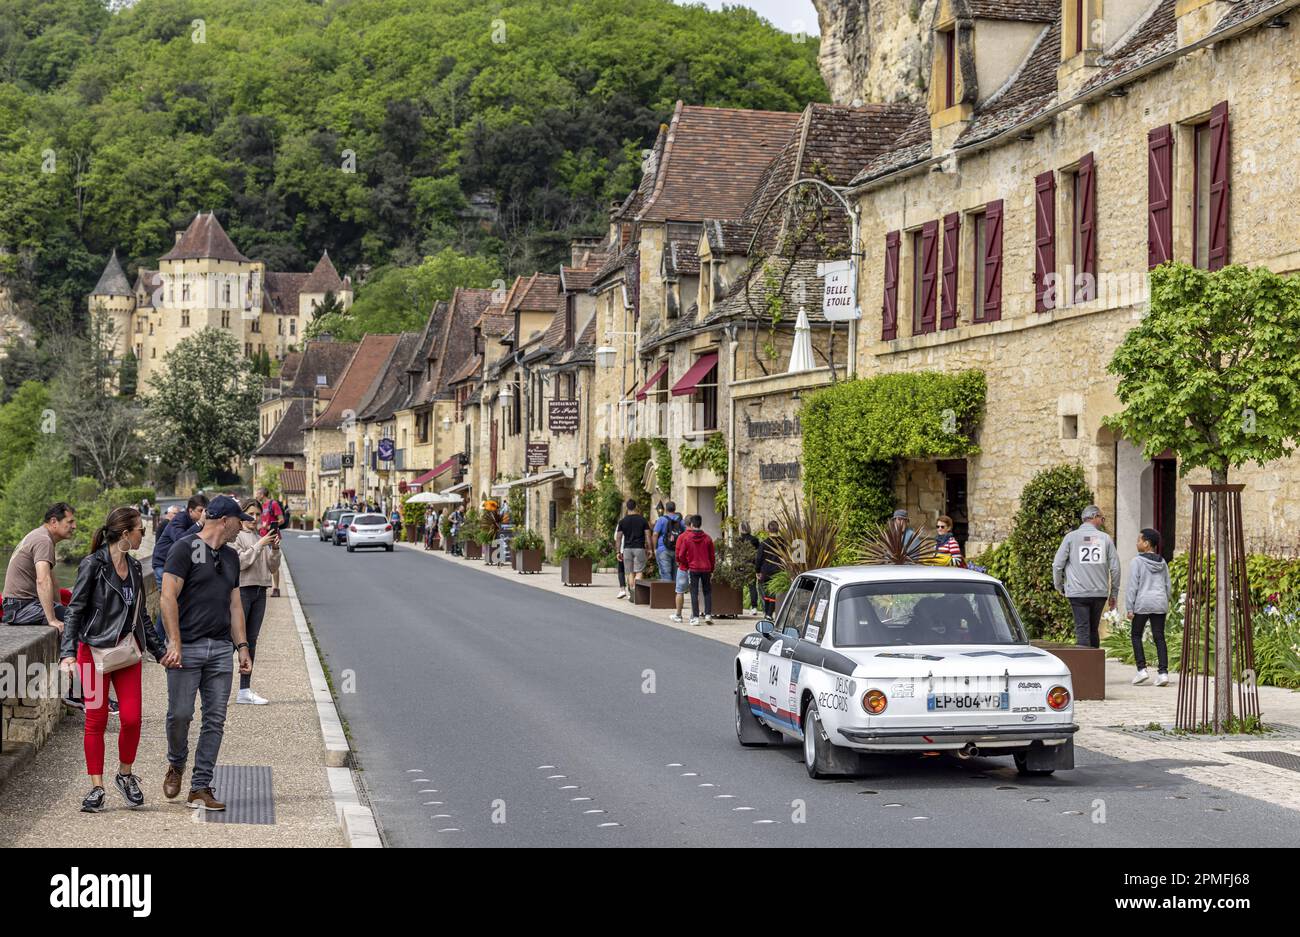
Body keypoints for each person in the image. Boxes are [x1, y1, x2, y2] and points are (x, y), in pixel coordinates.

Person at [59, 507, 166, 813]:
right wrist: (67, 653)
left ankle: (125, 774)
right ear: (125, 534)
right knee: (97, 719)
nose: (141, 535)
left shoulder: (133, 568)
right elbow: (75, 611)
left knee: (132, 718)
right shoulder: (93, 565)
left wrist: (159, 652)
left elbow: (142, 616)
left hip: (126, 653)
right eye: (139, 531)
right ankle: (96, 787)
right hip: (91, 653)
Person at [159, 495, 254, 811]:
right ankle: (176, 762)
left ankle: (200, 786)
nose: (242, 526)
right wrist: (174, 642)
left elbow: (235, 604)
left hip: (219, 650)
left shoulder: (230, 557)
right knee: (180, 715)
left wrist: (242, 646)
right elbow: (167, 598)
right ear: (225, 520)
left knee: (215, 719)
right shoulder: (184, 548)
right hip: (187, 647)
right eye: (239, 521)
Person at [1052, 504, 1121, 648]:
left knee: (1082, 629)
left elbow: (1057, 565)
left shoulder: (1071, 538)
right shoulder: (1105, 539)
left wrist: (1059, 586)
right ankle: (1095, 668)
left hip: (1077, 592)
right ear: (1094, 517)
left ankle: (1085, 668)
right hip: (1099, 593)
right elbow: (1115, 568)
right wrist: (1113, 594)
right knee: (1093, 630)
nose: (1103, 521)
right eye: (1102, 518)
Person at [3, 502, 77, 630]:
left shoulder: (42, 536)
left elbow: (52, 580)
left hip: (20, 605)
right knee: (78, 619)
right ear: (54, 521)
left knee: (72, 614)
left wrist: (59, 607)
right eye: (70, 522)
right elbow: (43, 581)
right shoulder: (43, 540)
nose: (74, 526)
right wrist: (52, 619)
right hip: (21, 608)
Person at [235, 499, 280, 705]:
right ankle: (216, 688)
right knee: (233, 641)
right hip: (243, 590)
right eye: (250, 514)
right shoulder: (236, 537)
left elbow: (271, 568)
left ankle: (244, 689)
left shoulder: (258, 537)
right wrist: (259, 545)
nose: (254, 518)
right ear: (242, 514)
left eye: (257, 515)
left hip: (260, 591)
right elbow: (240, 563)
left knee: (251, 641)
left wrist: (274, 550)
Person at [151, 495, 208, 644]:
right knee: (169, 601)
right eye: (200, 511)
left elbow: (200, 547)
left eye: (205, 511)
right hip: (162, 564)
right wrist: (199, 524)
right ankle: (156, 642)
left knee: (179, 601)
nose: (203, 514)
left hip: (177, 566)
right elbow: (180, 540)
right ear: (190, 510)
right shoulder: (179, 519)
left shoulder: (199, 523)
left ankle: (171, 639)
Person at [1126, 528, 1173, 687]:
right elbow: (1168, 585)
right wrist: (1166, 601)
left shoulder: (1137, 562)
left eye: (1139, 540)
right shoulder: (1162, 562)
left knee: (1136, 635)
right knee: (1159, 636)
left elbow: (1133, 586)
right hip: (1160, 602)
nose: (1137, 543)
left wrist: (1129, 607)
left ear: (1146, 544)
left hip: (1143, 602)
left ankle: (1142, 670)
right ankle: (1163, 673)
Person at [676, 515, 716, 625]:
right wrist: (712, 568)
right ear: (700, 524)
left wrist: (686, 563)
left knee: (694, 592)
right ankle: (708, 615)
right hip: (706, 568)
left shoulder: (687, 539)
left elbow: (681, 555)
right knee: (707, 592)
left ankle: (695, 617)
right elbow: (712, 556)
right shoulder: (708, 538)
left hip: (693, 568)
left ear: (692, 525)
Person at [615, 500, 651, 604]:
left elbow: (618, 538)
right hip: (639, 548)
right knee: (639, 571)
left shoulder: (622, 521)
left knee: (630, 572)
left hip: (627, 549)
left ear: (627, 507)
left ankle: (632, 593)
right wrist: (650, 549)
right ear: (636, 507)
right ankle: (637, 591)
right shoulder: (643, 520)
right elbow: (648, 536)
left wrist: (618, 552)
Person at [256, 487, 286, 597]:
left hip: (272, 536)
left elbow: (281, 520)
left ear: (263, 494)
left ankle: (276, 588)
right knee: (261, 561)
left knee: (273, 562)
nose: (256, 495)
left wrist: (269, 526)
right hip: (261, 536)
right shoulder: (259, 506)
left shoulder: (273, 504)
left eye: (258, 493)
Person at [651, 501, 684, 583]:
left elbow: (655, 534)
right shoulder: (680, 520)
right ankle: (675, 594)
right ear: (675, 509)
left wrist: (655, 548)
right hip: (677, 549)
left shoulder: (662, 519)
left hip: (663, 549)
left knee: (666, 574)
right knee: (675, 574)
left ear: (665, 509)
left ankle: (667, 594)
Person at [757, 520, 784, 619]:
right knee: (772, 592)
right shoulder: (783, 542)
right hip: (779, 570)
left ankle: (768, 613)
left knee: (767, 592)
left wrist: (757, 571)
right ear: (778, 530)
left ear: (768, 530)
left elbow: (759, 558)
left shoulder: (764, 543)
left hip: (766, 571)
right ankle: (768, 613)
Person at [739, 522, 763, 615]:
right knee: (752, 587)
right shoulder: (755, 540)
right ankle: (754, 607)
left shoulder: (739, 540)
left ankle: (738, 605)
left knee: (738, 586)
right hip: (752, 565)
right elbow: (758, 553)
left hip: (741, 565)